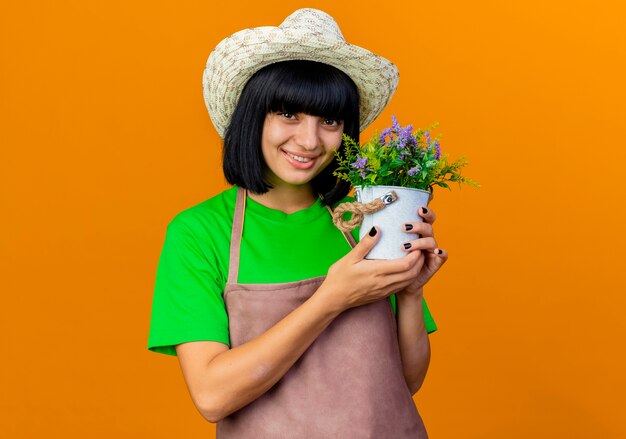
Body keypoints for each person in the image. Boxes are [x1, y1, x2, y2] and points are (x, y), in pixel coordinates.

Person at [148, 8, 447, 438]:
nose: (309, 140)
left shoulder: (365, 220)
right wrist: (332, 298)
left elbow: (408, 381)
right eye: (289, 114)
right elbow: (212, 396)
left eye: (329, 121)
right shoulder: (199, 233)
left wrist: (412, 292)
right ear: (252, 118)